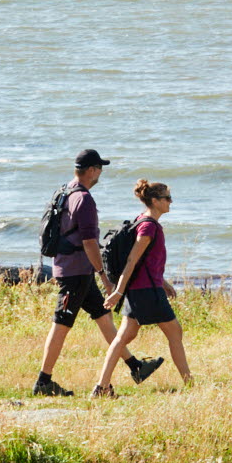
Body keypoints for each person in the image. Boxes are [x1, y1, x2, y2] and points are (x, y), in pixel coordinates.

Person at [32, 149, 163, 398]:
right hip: (75, 272)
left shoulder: (65, 190)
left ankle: (135, 367)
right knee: (61, 323)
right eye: (99, 167)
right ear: (91, 170)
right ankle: (43, 381)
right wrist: (103, 275)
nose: (101, 172)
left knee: (103, 316)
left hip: (71, 267)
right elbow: (89, 243)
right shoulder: (84, 200)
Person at [92, 178, 192, 397]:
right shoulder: (147, 226)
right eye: (167, 198)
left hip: (144, 289)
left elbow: (146, 261)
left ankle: (102, 387)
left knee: (123, 338)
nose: (170, 202)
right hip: (146, 292)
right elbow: (132, 261)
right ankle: (190, 383)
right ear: (155, 201)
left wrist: (162, 282)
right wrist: (118, 292)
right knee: (174, 332)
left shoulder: (143, 221)